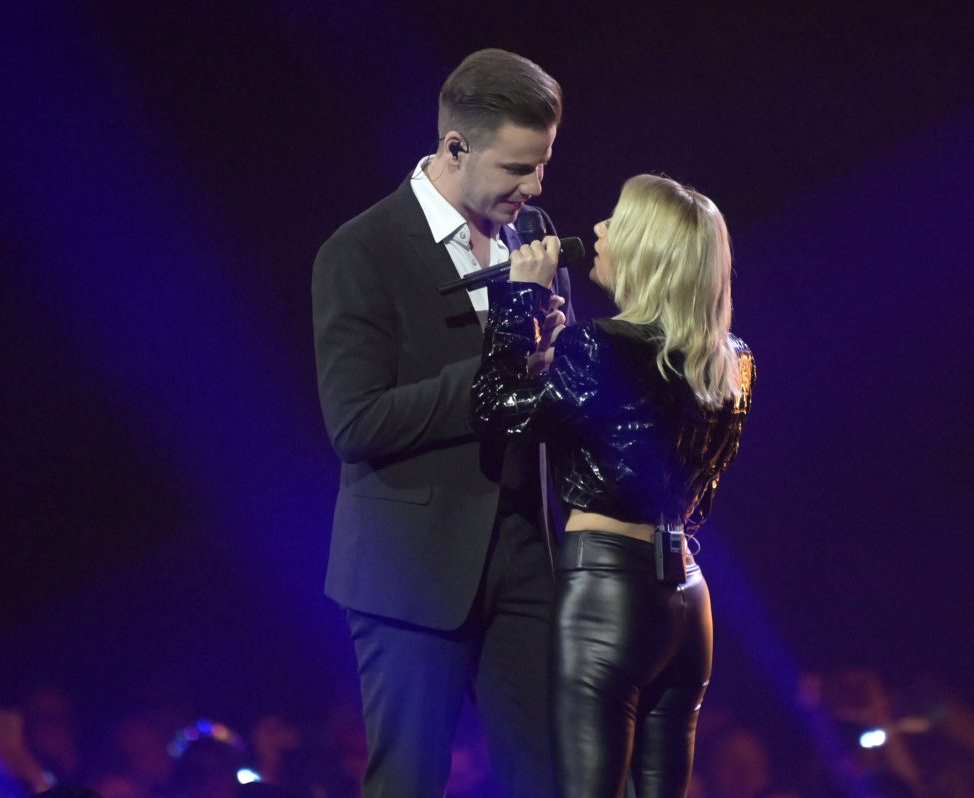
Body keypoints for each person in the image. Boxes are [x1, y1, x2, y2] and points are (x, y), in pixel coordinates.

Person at [311, 49, 572, 798]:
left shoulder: (532, 232)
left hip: (527, 557)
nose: (536, 186)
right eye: (518, 168)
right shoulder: (361, 251)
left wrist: (560, 363)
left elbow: (551, 388)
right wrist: (504, 360)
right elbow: (356, 422)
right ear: (456, 147)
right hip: (410, 569)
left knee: (553, 780)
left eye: (544, 163)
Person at [472, 173, 756, 797]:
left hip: (607, 593)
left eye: (614, 223)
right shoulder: (732, 362)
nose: (597, 230)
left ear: (646, 251)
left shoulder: (597, 347)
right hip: (687, 594)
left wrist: (519, 302)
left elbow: (494, 411)